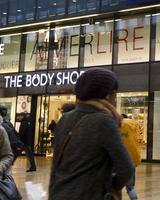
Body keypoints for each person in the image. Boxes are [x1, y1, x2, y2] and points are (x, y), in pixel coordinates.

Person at [49, 68, 134, 200]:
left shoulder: (64, 119)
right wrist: (111, 186)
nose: (115, 99)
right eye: (114, 94)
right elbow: (127, 168)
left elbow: (56, 166)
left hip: (59, 193)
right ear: (107, 95)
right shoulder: (104, 121)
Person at [120, 114, 141, 200]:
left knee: (113, 187)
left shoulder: (117, 127)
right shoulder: (133, 126)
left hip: (119, 160)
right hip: (132, 159)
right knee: (130, 187)